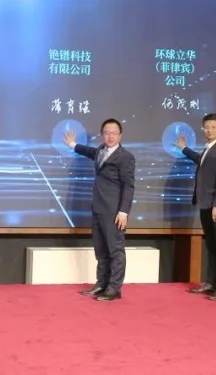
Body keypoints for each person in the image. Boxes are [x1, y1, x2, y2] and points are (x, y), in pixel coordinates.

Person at [64, 118, 136, 301]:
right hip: (97, 208)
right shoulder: (100, 151)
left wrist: (123, 211)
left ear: (120, 135)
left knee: (115, 250)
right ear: (103, 134)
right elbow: (88, 151)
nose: (110, 136)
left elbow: (128, 186)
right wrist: (72, 144)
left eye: (114, 133)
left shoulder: (125, 157)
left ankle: (114, 288)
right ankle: (101, 284)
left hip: (114, 212)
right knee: (101, 250)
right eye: (107, 132)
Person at [176, 113, 216, 300]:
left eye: (213, 127)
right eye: (207, 127)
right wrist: (184, 148)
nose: (209, 130)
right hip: (205, 204)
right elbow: (200, 160)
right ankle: (211, 282)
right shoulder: (209, 149)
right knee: (211, 245)